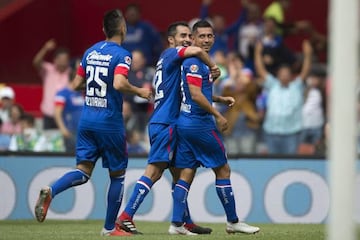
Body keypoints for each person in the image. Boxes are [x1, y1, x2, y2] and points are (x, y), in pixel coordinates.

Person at [34, 9, 152, 237]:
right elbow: (119, 83)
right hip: (109, 122)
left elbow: (76, 84)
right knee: (117, 175)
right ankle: (109, 229)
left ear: (103, 30)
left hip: (87, 120)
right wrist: (139, 90)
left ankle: (52, 190)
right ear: (123, 29)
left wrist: (96, 85)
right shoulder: (122, 54)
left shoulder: (90, 52)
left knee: (83, 170)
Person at [116, 21, 220, 235]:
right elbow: (198, 50)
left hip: (164, 120)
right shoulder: (172, 53)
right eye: (183, 35)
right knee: (154, 171)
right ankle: (126, 216)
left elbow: (186, 91)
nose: (187, 39)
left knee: (178, 173)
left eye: (189, 36)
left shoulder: (169, 60)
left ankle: (183, 221)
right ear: (171, 39)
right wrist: (212, 67)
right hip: (166, 122)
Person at [170, 20, 260, 235]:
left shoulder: (200, 63)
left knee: (187, 172)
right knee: (223, 169)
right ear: (193, 38)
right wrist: (218, 115)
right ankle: (233, 221)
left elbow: (197, 93)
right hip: (199, 124)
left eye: (210, 36)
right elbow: (195, 94)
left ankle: (176, 223)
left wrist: (219, 98)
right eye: (202, 36)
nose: (207, 40)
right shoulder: (195, 62)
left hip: (185, 122)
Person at [254, 39, 312, 154]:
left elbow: (305, 71)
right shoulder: (272, 85)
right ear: (278, 75)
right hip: (271, 132)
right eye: (282, 74)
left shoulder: (296, 86)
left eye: (287, 74)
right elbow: (261, 71)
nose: (285, 76)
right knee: (272, 163)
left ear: (291, 75)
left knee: (290, 163)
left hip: (291, 133)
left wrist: (308, 55)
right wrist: (257, 53)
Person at [33, 39, 71, 130]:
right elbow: (36, 62)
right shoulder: (48, 70)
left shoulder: (71, 73)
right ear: (55, 60)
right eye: (60, 59)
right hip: (48, 114)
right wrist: (45, 48)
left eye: (65, 60)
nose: (63, 62)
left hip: (64, 115)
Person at [54, 77, 84, 154]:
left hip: (81, 132)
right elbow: (57, 113)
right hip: (70, 132)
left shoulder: (80, 94)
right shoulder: (62, 93)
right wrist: (63, 129)